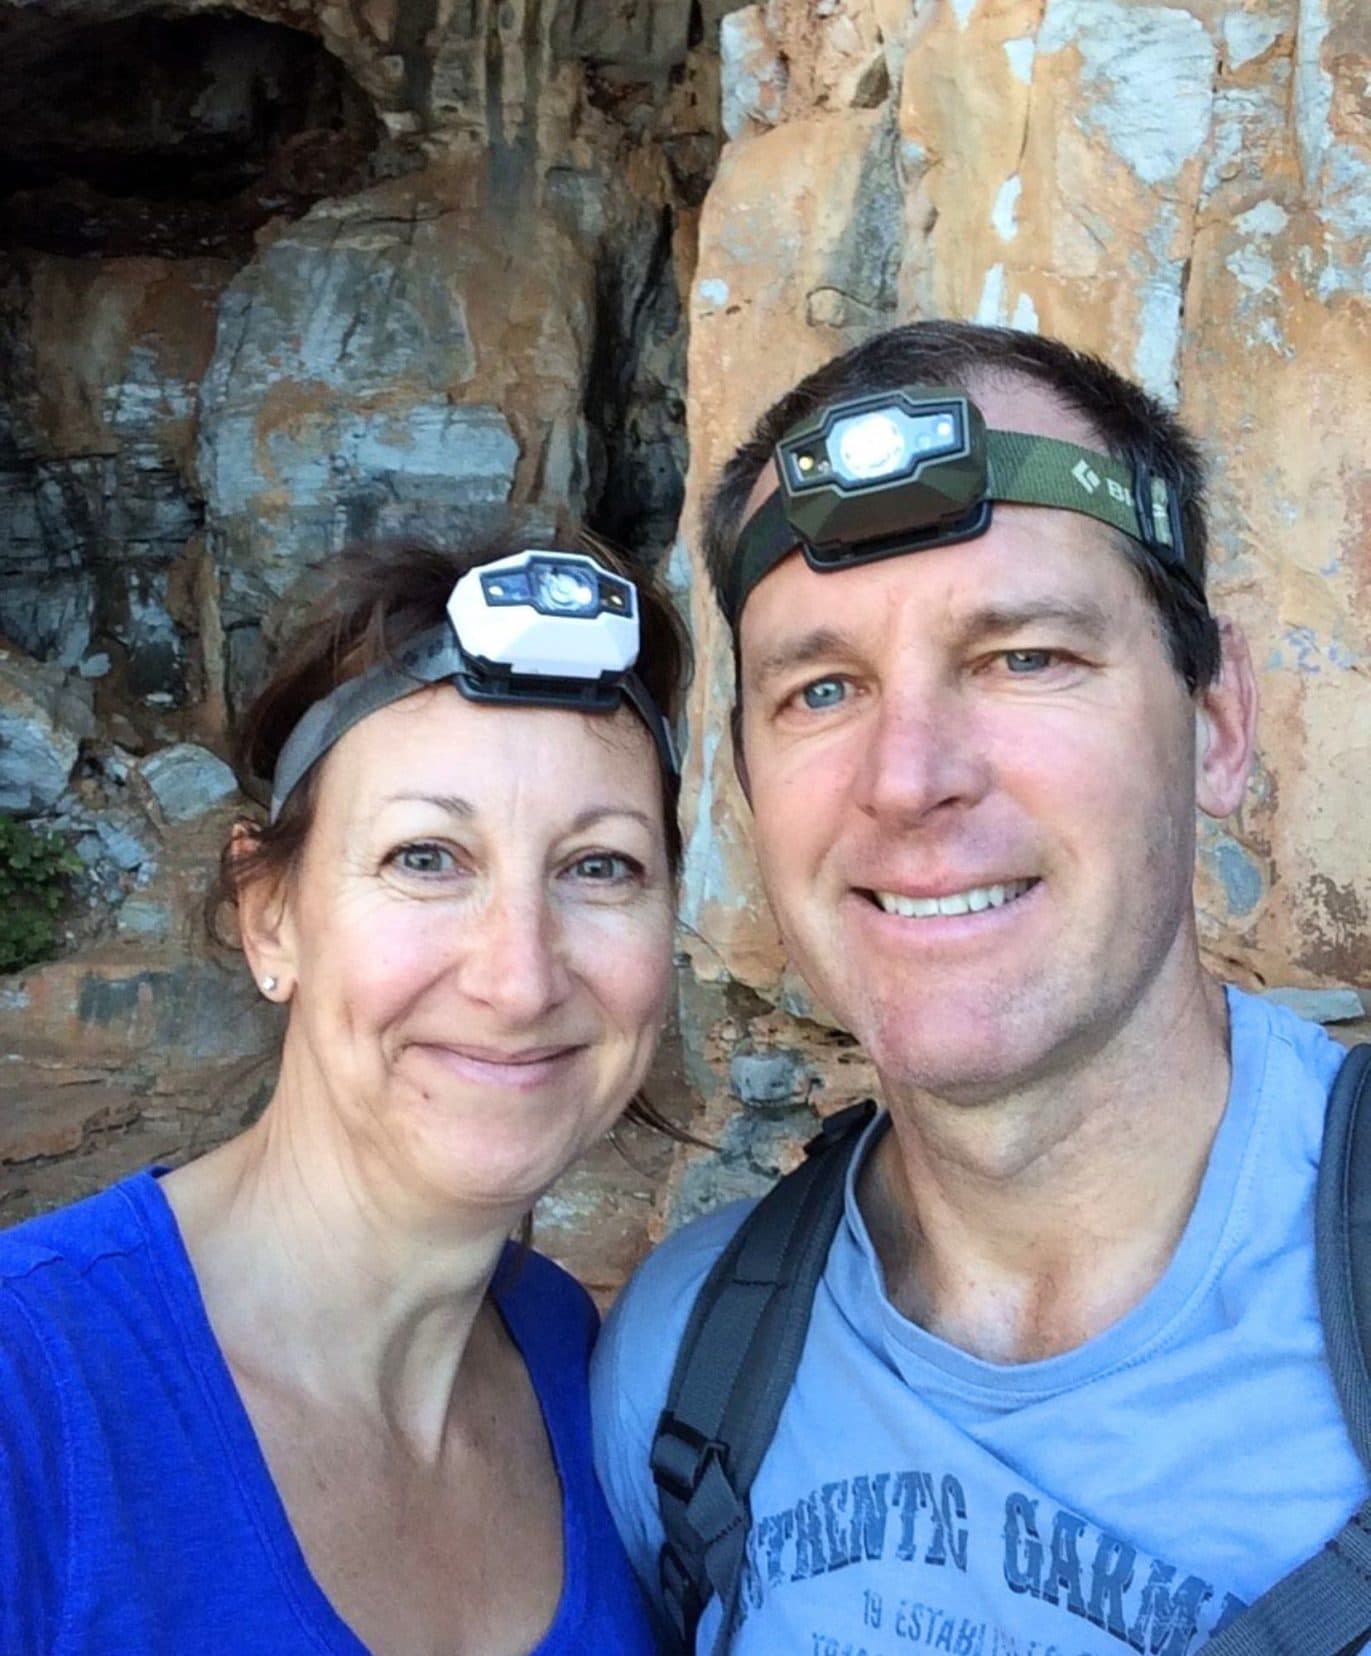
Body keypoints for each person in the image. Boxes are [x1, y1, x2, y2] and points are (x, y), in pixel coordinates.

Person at [591, 322, 1368, 1655]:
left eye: (1021, 656)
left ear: (1214, 722)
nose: (907, 777)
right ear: (742, 788)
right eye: (821, 689)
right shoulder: (679, 1372)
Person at [0, 532, 689, 1654]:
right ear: (271, 915)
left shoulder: (584, 1370)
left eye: (599, 866)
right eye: (426, 856)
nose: (518, 979)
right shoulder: (32, 1395)